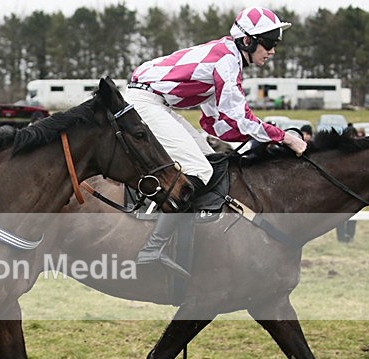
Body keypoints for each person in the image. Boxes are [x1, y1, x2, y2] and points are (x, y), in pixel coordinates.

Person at [125, 6, 308, 277]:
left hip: (156, 102)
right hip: (144, 101)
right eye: (269, 44)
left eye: (275, 45)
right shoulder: (226, 61)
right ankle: (152, 248)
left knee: (210, 161)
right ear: (248, 41)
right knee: (199, 170)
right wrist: (284, 138)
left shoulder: (226, 57)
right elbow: (239, 117)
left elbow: (216, 123)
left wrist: (257, 140)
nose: (272, 52)